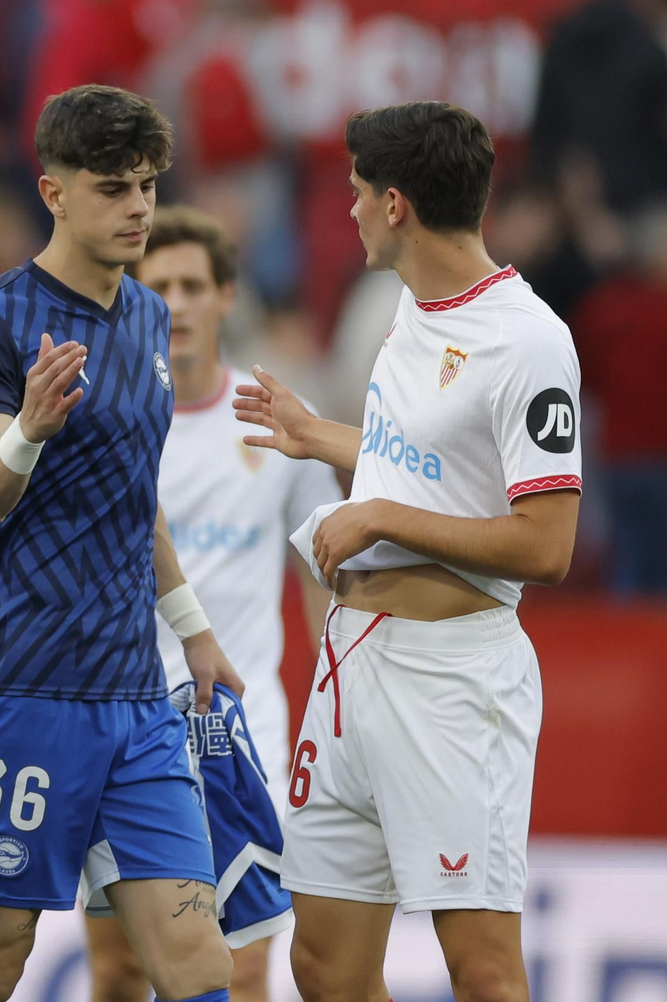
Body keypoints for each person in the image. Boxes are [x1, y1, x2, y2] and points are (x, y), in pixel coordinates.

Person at [234, 102, 582, 1002]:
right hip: (352, 668)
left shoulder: (529, 342)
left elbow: (547, 545)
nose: (345, 210)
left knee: (484, 971)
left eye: (354, 192)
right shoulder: (406, 306)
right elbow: (430, 463)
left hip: (454, 684)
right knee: (323, 965)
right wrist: (324, 439)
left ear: (395, 204)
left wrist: (383, 514)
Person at [0, 84, 242, 1002]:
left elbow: (134, 497)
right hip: (23, 688)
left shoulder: (146, 319)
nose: (138, 205)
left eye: (146, 184)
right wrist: (26, 429)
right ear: (53, 193)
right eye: (113, 187)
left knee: (198, 967)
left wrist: (193, 629)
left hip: (136, 701)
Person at [81, 206, 340, 1002]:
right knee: (121, 968)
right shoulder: (101, 419)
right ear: (132, 297)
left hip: (240, 731)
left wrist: (338, 721)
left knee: (243, 965)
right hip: (120, 725)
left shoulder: (272, 425)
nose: (178, 303)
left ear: (228, 296)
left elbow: (325, 587)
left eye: (195, 284)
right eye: (159, 285)